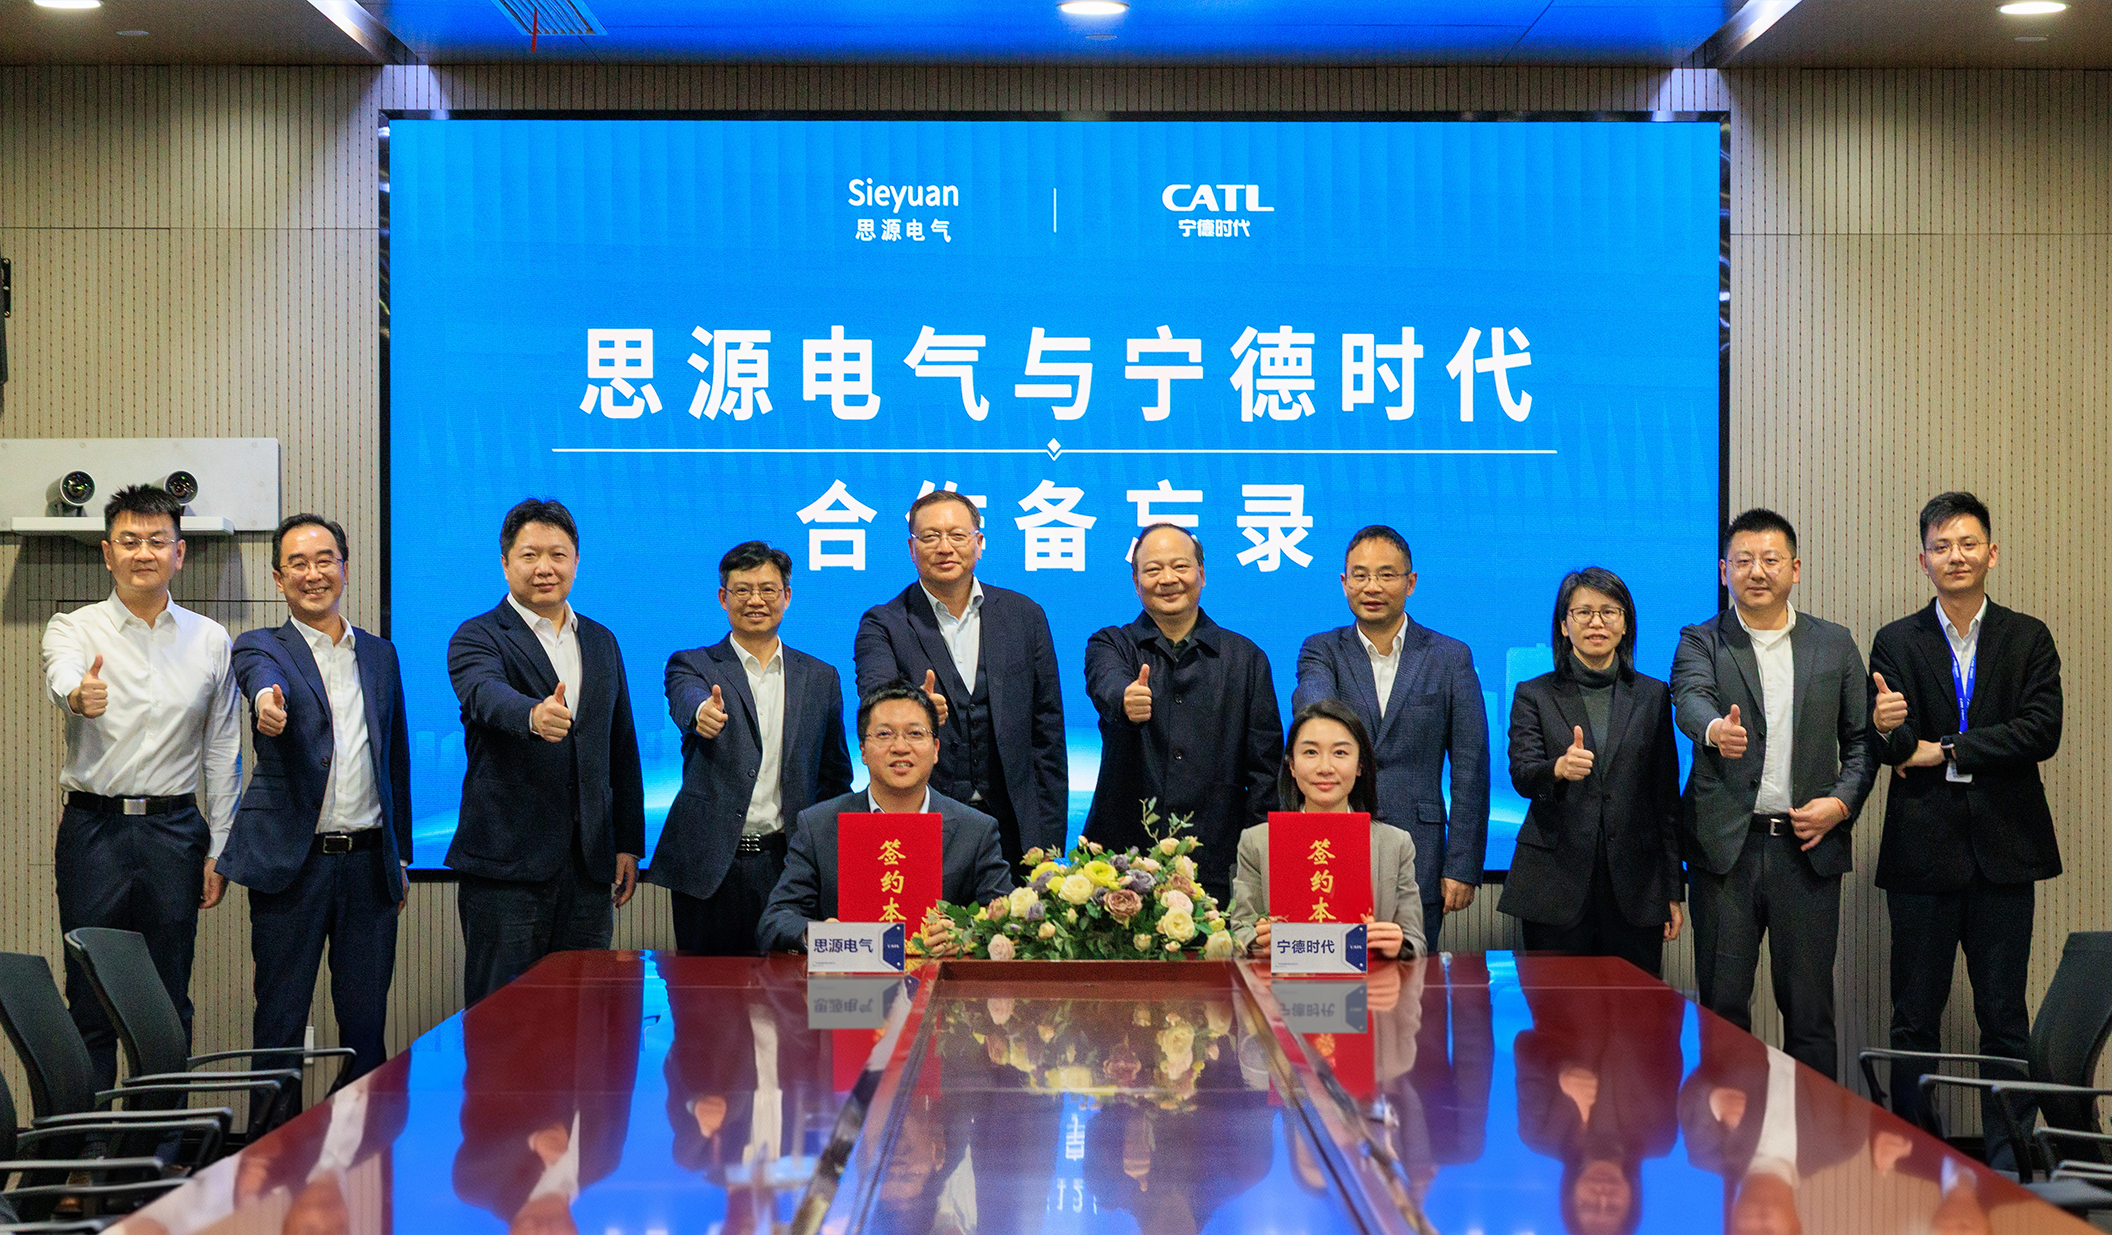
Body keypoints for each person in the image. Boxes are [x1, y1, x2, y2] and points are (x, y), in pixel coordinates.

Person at [1867, 492, 2063, 1148]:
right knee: (1913, 1016)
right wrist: (1887, 730)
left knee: (2004, 1016)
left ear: (1992, 553)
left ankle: (2010, 1160)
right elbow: (1898, 748)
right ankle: (1911, 1156)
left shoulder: (2028, 637)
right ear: (1923, 560)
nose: (1956, 555)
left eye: (1968, 543)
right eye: (1942, 546)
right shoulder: (1896, 640)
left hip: (2006, 850)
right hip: (1922, 851)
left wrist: (1946, 748)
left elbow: (2041, 731)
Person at [39, 484, 240, 1088]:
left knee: (167, 1000)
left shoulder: (210, 639)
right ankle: (88, 1137)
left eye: (157, 540)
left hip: (175, 832)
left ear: (179, 553)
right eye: (129, 541)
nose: (143, 552)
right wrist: (78, 695)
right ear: (108, 553)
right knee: (89, 996)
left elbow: (222, 751)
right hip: (93, 830)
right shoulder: (74, 628)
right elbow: (61, 676)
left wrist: (220, 848)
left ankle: (164, 1136)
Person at [1672, 508, 1876, 1079]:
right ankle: (1728, 1135)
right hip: (1726, 854)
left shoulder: (1833, 644)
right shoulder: (1701, 640)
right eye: (1743, 561)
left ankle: (1810, 1135)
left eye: (1770, 559)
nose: (1757, 571)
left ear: (1795, 568)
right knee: (1723, 1011)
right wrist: (1716, 730)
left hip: (1807, 851)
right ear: (1724, 571)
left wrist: (1841, 804)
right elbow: (1689, 699)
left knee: (1810, 1015)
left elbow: (1862, 741)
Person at [221, 514, 412, 1084]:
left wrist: (399, 859)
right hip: (292, 866)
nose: (313, 574)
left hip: (369, 867)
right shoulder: (260, 645)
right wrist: (266, 703)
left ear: (345, 570)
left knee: (365, 1025)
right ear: (279, 579)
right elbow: (259, 677)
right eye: (298, 564)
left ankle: (359, 1137)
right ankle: (275, 1137)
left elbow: (394, 759)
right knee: (280, 1023)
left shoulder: (379, 655)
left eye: (325, 560)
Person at [446, 498, 644, 1005]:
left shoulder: (601, 640)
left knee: (586, 1014)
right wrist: (532, 715)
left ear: (576, 560)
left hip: (589, 868)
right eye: (530, 555)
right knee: (504, 1014)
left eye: (557, 554)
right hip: (507, 868)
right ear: (505, 562)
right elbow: (484, 694)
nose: (545, 568)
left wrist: (627, 843)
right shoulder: (477, 636)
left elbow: (621, 746)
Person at [649, 542, 854, 955]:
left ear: (787, 596)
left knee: (791, 985)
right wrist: (701, 713)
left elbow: (834, 778)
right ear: (723, 597)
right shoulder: (693, 664)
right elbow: (686, 699)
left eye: (767, 589)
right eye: (742, 590)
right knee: (705, 989)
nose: (755, 600)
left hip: (789, 864)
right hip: (711, 868)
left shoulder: (820, 677)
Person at [1293, 524, 1489, 948]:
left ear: (1410, 582)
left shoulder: (1450, 657)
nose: (1372, 587)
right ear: (1344, 583)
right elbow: (1316, 714)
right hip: (1333, 846)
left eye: (1386, 575)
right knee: (1329, 974)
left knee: (1410, 979)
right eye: (1360, 575)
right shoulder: (1321, 650)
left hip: (1420, 855)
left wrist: (1462, 864)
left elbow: (1471, 767)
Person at [854, 489, 1067, 869]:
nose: (944, 547)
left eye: (957, 535)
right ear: (912, 548)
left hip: (1015, 826)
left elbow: (1047, 731)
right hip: (922, 818)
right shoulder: (883, 623)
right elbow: (876, 699)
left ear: (979, 543)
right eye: (930, 537)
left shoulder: (1024, 616)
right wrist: (914, 707)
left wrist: (1049, 841)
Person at [1499, 567, 1684, 977]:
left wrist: (1672, 891)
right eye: (1583, 612)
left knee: (1633, 1010)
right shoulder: (1534, 693)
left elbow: (1665, 799)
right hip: (1554, 884)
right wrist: (1558, 769)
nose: (1596, 622)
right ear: (1564, 625)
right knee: (1555, 1010)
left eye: (1609, 612)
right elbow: (1523, 775)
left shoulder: (1653, 695)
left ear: (1625, 624)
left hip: (1636, 888)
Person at [1083, 523, 1281, 905]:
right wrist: (1125, 699)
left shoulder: (1246, 659)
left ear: (1201, 574)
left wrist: (1258, 866)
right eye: (1153, 569)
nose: (1168, 579)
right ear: (1136, 581)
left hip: (1217, 865)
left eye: (1180, 566)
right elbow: (1105, 681)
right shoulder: (1111, 643)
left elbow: (1265, 776)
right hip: (1121, 868)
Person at [756, 682, 1012, 953]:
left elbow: (1008, 921)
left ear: (936, 749)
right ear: (863, 751)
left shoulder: (976, 830)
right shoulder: (819, 825)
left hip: (939, 977)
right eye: (884, 734)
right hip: (850, 978)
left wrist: (965, 935)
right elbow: (775, 921)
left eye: (915, 734)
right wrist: (819, 935)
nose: (900, 747)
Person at [1228, 699, 1424, 960]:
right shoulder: (1257, 841)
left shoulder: (1395, 843)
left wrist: (1399, 943)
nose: (1325, 768)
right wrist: (1257, 941)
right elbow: (1240, 932)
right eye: (1310, 752)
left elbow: (1415, 940)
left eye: (1340, 753)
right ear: (1292, 765)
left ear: (1360, 766)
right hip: (1285, 981)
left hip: (1369, 982)